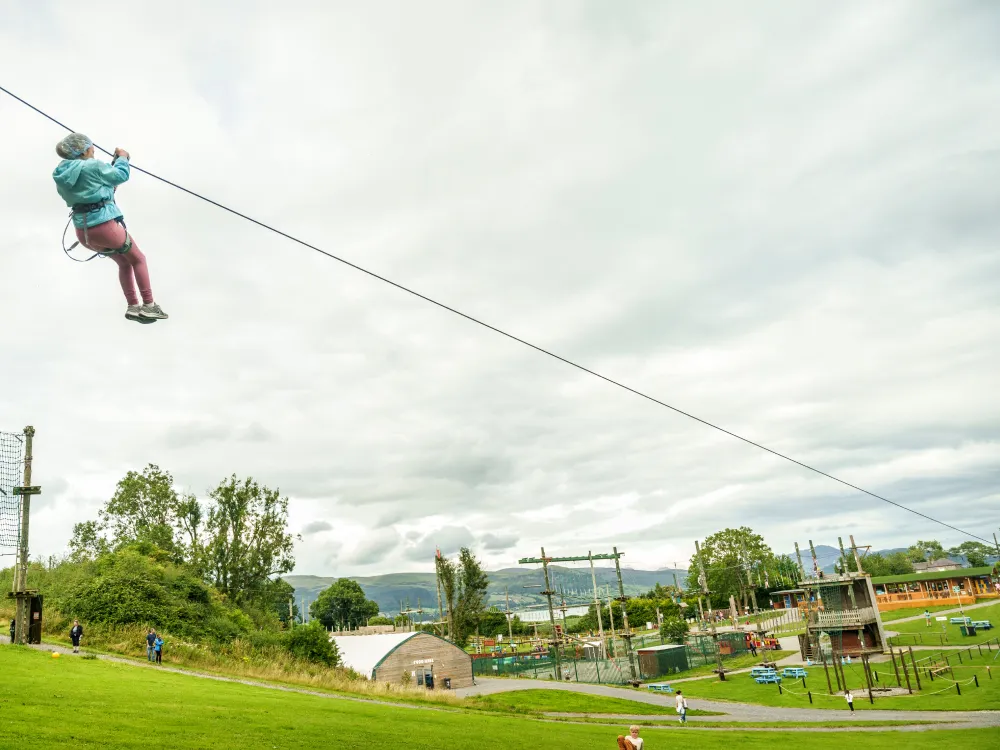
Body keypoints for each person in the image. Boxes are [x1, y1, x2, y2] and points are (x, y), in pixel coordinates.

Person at [52, 133, 168, 324]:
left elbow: (95, 186)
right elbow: (121, 175)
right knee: (138, 259)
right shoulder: (93, 165)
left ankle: (133, 306)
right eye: (92, 148)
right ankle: (149, 305)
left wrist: (111, 167)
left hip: (84, 233)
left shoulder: (61, 173)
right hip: (105, 227)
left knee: (124, 263)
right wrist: (122, 158)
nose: (94, 151)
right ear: (85, 150)